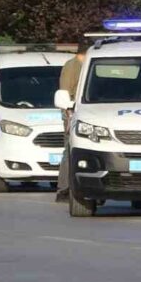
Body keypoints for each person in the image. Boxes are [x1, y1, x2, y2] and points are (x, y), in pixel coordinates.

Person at [55, 40, 88, 202]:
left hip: (81, 113)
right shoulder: (72, 66)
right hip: (71, 113)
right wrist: (68, 117)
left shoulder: (85, 65)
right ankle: (63, 189)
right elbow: (65, 91)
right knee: (69, 151)